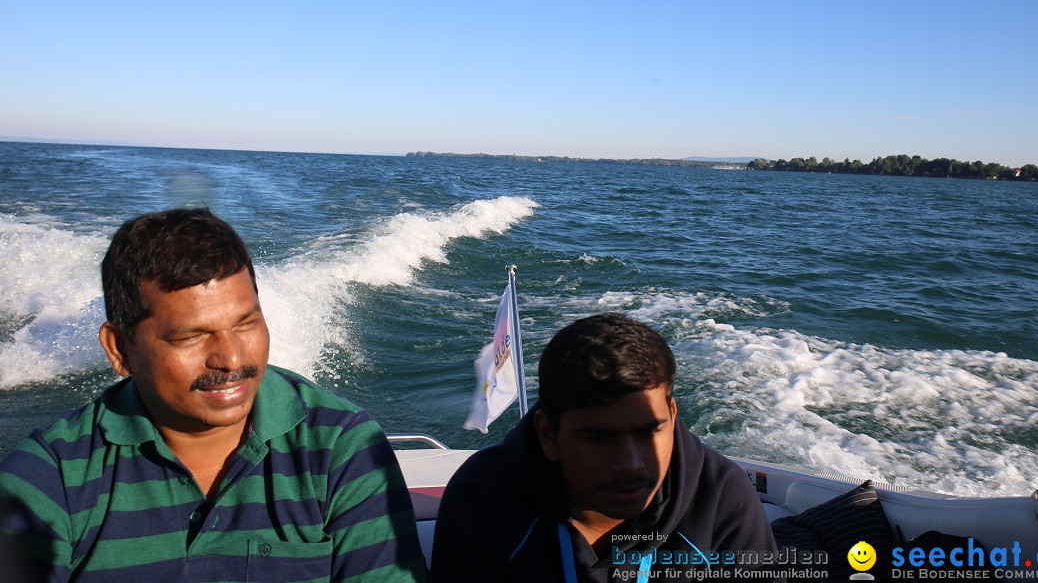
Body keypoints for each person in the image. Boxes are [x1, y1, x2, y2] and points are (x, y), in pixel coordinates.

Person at [0, 208, 427, 582]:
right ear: (120, 349)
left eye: (245, 323)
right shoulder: (50, 476)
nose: (231, 358)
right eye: (192, 336)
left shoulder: (340, 448)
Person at [430, 313, 777, 582]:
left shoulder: (719, 497)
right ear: (549, 435)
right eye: (598, 438)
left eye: (648, 431)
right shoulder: (484, 498)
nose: (630, 464)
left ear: (672, 416)